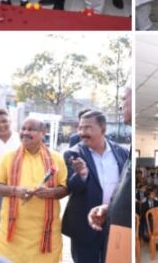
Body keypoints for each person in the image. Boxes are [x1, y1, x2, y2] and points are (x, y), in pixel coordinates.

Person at [0, 118, 68, 263]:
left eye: (31, 129)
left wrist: (51, 192)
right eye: (23, 129)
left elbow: (65, 188)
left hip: (45, 236)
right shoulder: (8, 157)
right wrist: (15, 191)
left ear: (43, 132)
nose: (25, 132)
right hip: (12, 236)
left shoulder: (56, 158)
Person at [63, 110, 129, 263]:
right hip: (85, 225)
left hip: (113, 222)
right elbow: (71, 188)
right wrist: (81, 175)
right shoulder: (73, 154)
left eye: (88, 128)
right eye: (80, 128)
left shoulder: (122, 153)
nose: (82, 133)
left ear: (103, 129)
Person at [87, 86, 132, 262]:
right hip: (115, 232)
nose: (121, 106)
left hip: (123, 236)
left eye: (124, 99)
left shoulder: (122, 150)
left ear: (102, 129)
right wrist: (109, 208)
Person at [0, 109, 20, 221]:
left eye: (4, 121)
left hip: (19, 186)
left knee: (19, 220)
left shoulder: (20, 140)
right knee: (2, 221)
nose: (1, 125)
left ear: (10, 121)